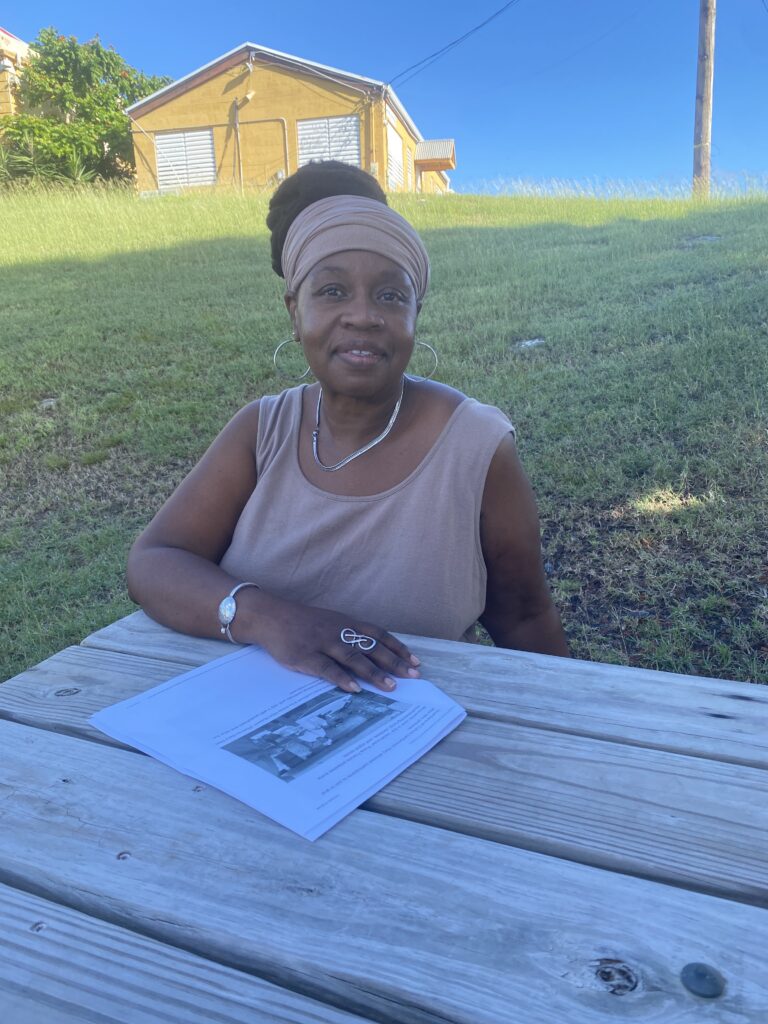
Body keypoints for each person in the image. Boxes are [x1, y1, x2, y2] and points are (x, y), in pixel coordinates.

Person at [127, 161, 569, 695]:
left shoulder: (476, 447)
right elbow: (155, 561)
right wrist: (272, 618)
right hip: (244, 726)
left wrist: (571, 733)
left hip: (419, 748)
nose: (363, 316)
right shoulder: (261, 430)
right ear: (294, 311)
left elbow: (523, 618)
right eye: (332, 291)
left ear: (415, 313)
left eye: (390, 296)